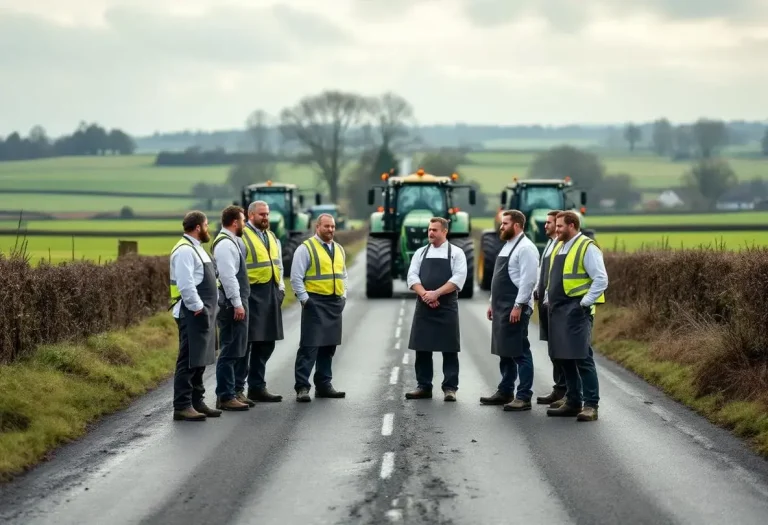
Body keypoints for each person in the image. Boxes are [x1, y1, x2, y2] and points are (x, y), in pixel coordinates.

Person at [544, 211, 608, 422]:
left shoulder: (587, 247)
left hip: (577, 311)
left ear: (572, 225)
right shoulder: (559, 246)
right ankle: (573, 402)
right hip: (558, 311)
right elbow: (554, 278)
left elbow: (601, 279)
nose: (556, 229)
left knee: (582, 357)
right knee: (563, 357)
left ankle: (591, 405)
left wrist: (585, 302)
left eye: (560, 226)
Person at [480, 210, 539, 411]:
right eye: (501, 223)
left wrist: (518, 306)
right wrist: (491, 303)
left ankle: (524, 396)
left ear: (516, 225)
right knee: (505, 351)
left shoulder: (526, 249)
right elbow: (498, 279)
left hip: (516, 307)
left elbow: (528, 281)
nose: (501, 227)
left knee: (520, 352)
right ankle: (505, 391)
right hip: (501, 307)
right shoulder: (507, 246)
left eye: (505, 223)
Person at [405, 217, 468, 402]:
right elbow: (412, 276)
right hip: (424, 307)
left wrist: (437, 294)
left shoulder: (456, 253)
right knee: (422, 348)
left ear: (445, 232)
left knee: (449, 348)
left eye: (434, 230)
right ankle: (423, 386)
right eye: (429, 229)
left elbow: (458, 278)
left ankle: (450, 388)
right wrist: (426, 295)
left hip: (447, 307)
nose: (430, 233)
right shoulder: (420, 253)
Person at [169, 211, 221, 421]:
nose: (208, 228)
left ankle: (197, 402)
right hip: (192, 312)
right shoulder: (184, 251)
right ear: (198, 227)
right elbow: (185, 284)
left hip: (205, 312)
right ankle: (182, 405)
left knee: (200, 359)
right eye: (206, 225)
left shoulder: (197, 249)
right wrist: (198, 307)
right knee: (189, 360)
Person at [290, 213, 348, 402]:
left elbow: (343, 275)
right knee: (310, 346)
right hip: (314, 302)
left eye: (332, 226)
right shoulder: (305, 249)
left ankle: (324, 385)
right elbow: (296, 278)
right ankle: (302, 387)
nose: (330, 230)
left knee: (329, 346)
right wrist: (306, 300)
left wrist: (343, 296)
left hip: (334, 303)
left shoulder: (339, 248)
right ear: (317, 227)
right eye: (326, 226)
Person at [235, 201, 286, 404]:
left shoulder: (272, 236)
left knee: (267, 343)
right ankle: (238, 388)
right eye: (262, 214)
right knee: (245, 343)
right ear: (250, 215)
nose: (266, 217)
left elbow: (279, 264)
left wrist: (281, 288)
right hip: (251, 294)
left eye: (267, 214)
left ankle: (257, 387)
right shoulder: (241, 237)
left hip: (271, 292)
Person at [211, 205, 251, 412]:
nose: (244, 224)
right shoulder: (225, 245)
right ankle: (225, 396)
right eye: (243, 220)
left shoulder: (233, 242)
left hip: (235, 301)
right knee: (229, 350)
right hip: (230, 304)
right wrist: (237, 303)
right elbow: (227, 277)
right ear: (235, 222)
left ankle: (233, 392)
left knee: (237, 348)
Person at [533, 209, 568, 406]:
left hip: (557, 305)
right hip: (545, 305)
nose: (545, 225)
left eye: (549, 222)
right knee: (553, 349)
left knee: (561, 349)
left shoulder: (561, 245)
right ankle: (559, 388)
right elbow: (542, 272)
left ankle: (566, 391)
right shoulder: (549, 244)